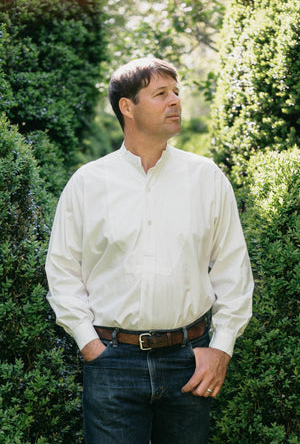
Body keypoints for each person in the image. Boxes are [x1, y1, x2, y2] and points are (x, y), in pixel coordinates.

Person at [45, 57, 254, 444]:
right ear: (127, 106)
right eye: (161, 94)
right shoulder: (88, 183)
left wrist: (220, 347)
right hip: (112, 362)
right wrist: (89, 344)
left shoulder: (207, 178)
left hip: (189, 362)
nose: (175, 101)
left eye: (177, 92)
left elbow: (232, 270)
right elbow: (62, 270)